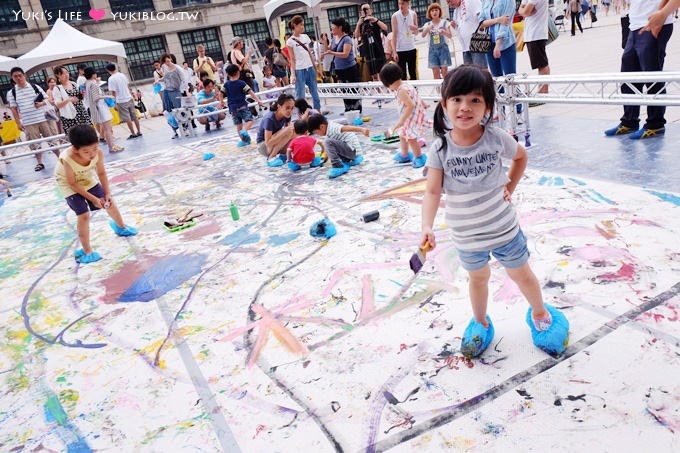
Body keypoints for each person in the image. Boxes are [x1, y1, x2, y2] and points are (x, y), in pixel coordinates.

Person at [421, 65, 570, 358]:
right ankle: (480, 322)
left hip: (504, 230)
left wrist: (509, 187)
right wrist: (426, 225)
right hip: (467, 237)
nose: (465, 107)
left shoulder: (495, 137)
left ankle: (540, 314)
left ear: (487, 106)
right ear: (444, 104)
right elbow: (432, 191)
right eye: (458, 99)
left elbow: (521, 156)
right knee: (478, 279)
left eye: (475, 100)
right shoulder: (440, 148)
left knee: (522, 275)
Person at [55, 124, 137, 264]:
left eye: (94, 148)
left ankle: (121, 227)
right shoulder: (67, 158)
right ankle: (87, 251)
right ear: (75, 150)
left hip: (86, 179)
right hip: (69, 184)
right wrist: (93, 198)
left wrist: (108, 193)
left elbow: (101, 173)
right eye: (86, 152)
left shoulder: (98, 153)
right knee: (83, 215)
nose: (92, 154)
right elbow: (72, 183)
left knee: (108, 202)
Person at [604, 0, 673, 140]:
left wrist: (662, 15)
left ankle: (656, 124)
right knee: (628, 77)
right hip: (634, 26)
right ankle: (629, 121)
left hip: (654, 23)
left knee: (652, 77)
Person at [7, 67, 61, 171]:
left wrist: (41, 103)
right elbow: (13, 109)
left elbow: (47, 99)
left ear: (24, 75)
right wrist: (18, 123)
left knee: (51, 140)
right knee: (34, 144)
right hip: (29, 122)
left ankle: (60, 159)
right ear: (12, 78)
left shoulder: (34, 86)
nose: (18, 78)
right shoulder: (12, 92)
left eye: (20, 75)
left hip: (43, 119)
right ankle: (39, 163)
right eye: (15, 76)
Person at [379, 63, 428, 169]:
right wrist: (423, 104)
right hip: (410, 116)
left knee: (410, 138)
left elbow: (410, 105)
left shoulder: (401, 91)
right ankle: (404, 154)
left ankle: (419, 157)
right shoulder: (406, 84)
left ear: (388, 83)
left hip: (410, 117)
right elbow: (416, 96)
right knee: (402, 134)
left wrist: (402, 120)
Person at [307, 113, 367, 179]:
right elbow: (330, 148)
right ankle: (344, 161)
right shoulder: (327, 129)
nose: (318, 135)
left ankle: (338, 166)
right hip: (350, 152)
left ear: (322, 127)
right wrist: (324, 158)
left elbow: (346, 128)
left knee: (328, 142)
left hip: (353, 152)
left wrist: (362, 130)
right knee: (328, 142)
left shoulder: (333, 127)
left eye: (316, 132)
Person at [325, 18, 362, 113]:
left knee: (352, 88)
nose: (332, 30)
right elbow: (328, 49)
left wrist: (332, 52)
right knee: (344, 89)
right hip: (339, 68)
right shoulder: (334, 39)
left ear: (340, 27)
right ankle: (348, 108)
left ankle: (356, 108)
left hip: (349, 68)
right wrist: (325, 41)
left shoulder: (347, 39)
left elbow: (345, 54)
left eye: (333, 28)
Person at [223, 64, 264, 147]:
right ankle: (245, 131)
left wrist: (221, 102)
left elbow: (221, 93)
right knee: (250, 121)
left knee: (238, 125)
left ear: (228, 74)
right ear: (238, 72)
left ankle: (243, 141)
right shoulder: (241, 83)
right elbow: (250, 92)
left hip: (233, 109)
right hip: (242, 106)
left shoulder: (226, 84)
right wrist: (258, 100)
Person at [287, 15, 322, 111]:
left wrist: (316, 68)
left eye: (303, 25)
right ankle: (301, 115)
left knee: (315, 93)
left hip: (310, 68)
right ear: (295, 25)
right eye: (301, 25)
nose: (303, 27)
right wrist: (293, 75)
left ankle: (318, 113)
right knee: (300, 95)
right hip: (299, 69)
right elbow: (292, 59)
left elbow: (310, 53)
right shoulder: (290, 41)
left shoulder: (306, 37)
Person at [84, 67, 122, 153]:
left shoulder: (88, 83)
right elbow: (96, 97)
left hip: (99, 108)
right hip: (101, 108)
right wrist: (108, 96)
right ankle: (111, 147)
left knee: (107, 128)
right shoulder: (92, 84)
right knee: (107, 128)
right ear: (93, 74)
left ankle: (112, 146)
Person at [519, 0, 551, 93]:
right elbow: (522, 10)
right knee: (541, 64)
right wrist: (523, 10)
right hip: (533, 33)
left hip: (536, 33)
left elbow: (524, 12)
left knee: (542, 64)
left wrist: (523, 10)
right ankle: (543, 91)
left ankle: (543, 92)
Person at [479, 0, 517, 77]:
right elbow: (481, 23)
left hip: (505, 42)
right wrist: (498, 20)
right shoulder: (486, 1)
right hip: (489, 43)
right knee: (497, 79)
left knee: (510, 78)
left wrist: (498, 45)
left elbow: (506, 23)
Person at [257, 93, 296, 166]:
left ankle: (284, 154)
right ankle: (271, 157)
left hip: (274, 144)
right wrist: (287, 130)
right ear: (279, 106)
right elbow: (267, 142)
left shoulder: (286, 116)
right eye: (287, 107)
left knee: (294, 131)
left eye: (292, 108)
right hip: (264, 147)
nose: (290, 111)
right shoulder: (269, 119)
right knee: (289, 130)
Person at [52, 66, 92, 136]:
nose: (66, 75)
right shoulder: (57, 88)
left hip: (81, 112)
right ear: (57, 75)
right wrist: (69, 100)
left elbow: (80, 97)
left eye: (67, 72)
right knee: (76, 137)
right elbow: (58, 105)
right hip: (69, 116)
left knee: (88, 134)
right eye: (63, 74)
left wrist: (82, 94)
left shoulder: (73, 84)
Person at [105, 64, 142, 139]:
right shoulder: (122, 75)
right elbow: (128, 86)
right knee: (134, 116)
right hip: (129, 98)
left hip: (121, 100)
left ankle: (133, 133)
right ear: (115, 68)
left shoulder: (111, 79)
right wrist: (131, 94)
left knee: (127, 118)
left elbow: (113, 92)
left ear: (108, 70)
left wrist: (114, 103)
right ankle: (139, 131)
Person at [449, 0, 488, 67]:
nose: (450, 4)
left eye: (450, 1)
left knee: (481, 69)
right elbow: (460, 27)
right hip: (465, 46)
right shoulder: (456, 11)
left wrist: (481, 32)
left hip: (477, 39)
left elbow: (482, 17)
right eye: (448, 3)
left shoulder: (471, 1)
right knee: (468, 72)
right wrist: (454, 26)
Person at [355, 4, 388, 81]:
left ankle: (382, 87)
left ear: (371, 10)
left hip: (378, 48)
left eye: (367, 9)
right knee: (373, 73)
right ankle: (377, 88)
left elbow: (385, 28)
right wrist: (358, 24)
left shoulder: (375, 20)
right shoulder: (361, 23)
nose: (365, 11)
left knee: (381, 71)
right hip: (368, 50)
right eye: (363, 10)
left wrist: (376, 20)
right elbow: (357, 36)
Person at [421, 3, 453, 80]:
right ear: (429, 13)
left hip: (443, 50)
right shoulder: (427, 24)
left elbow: (450, 35)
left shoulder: (444, 22)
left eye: (436, 10)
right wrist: (428, 28)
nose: (434, 12)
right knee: (435, 71)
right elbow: (423, 35)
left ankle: (445, 89)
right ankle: (438, 90)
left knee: (444, 71)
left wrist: (444, 32)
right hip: (432, 50)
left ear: (439, 12)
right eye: (432, 10)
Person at [391, 0, 419, 80]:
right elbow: (394, 35)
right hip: (400, 49)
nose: (401, 6)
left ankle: (414, 91)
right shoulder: (395, 16)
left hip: (411, 47)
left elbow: (416, 32)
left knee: (413, 72)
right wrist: (394, 51)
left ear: (408, 3)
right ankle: (405, 91)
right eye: (399, 3)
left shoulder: (413, 14)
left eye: (403, 3)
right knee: (402, 74)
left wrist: (415, 28)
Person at [160, 54, 184, 139]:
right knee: (168, 111)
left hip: (176, 91)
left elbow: (183, 79)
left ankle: (184, 128)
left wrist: (184, 90)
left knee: (179, 110)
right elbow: (165, 77)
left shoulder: (177, 68)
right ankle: (174, 130)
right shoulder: (164, 67)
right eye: (165, 62)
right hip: (167, 91)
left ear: (171, 59)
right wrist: (158, 80)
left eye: (168, 61)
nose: (167, 63)